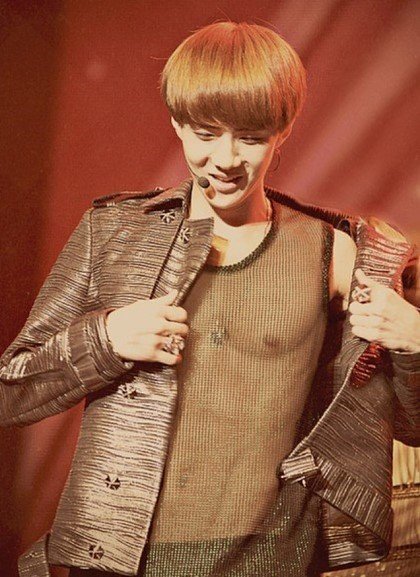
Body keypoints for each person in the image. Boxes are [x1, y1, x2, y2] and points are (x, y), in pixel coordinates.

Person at [1, 21, 419, 577]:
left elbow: (410, 427)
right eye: (204, 133)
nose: (225, 158)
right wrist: (104, 340)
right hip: (119, 560)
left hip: (273, 557)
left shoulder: (337, 253)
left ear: (283, 131)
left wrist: (414, 343)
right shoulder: (115, 233)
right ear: (177, 123)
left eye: (250, 137)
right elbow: (9, 393)